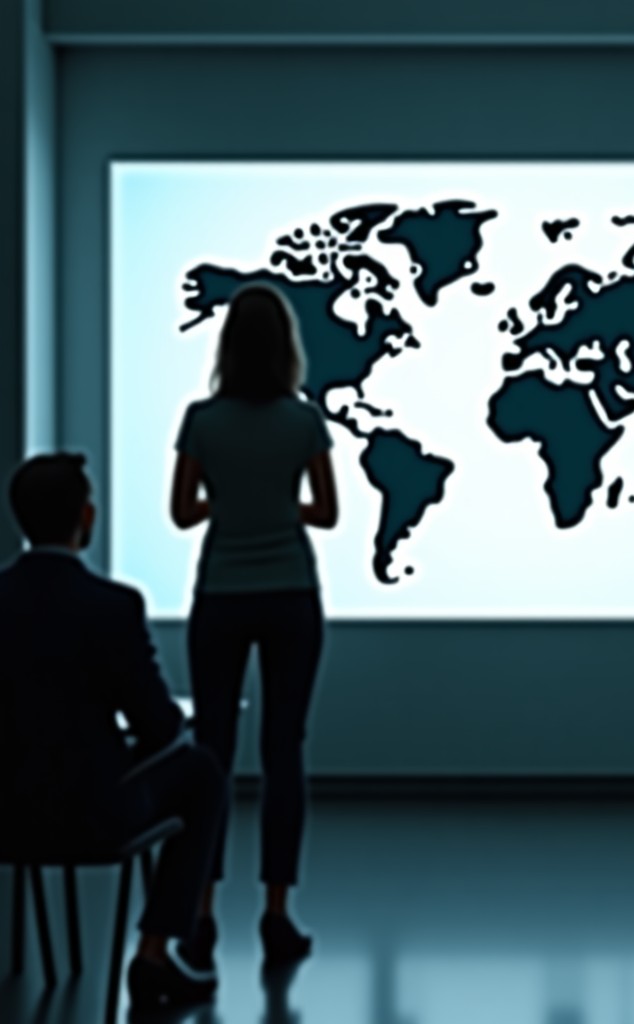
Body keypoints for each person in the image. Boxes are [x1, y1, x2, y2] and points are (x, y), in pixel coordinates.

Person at [0, 454, 227, 1010]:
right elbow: (160, 726)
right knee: (203, 773)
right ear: (87, 517)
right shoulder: (113, 607)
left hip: (5, 815)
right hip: (90, 818)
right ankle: (153, 956)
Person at [170, 285, 338, 971]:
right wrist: (276, 504)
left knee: (211, 753)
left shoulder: (201, 420)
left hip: (221, 594)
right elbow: (326, 512)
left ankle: (201, 913)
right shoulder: (304, 422)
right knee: (284, 751)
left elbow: (183, 513)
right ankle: (276, 913)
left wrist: (231, 501)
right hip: (291, 593)